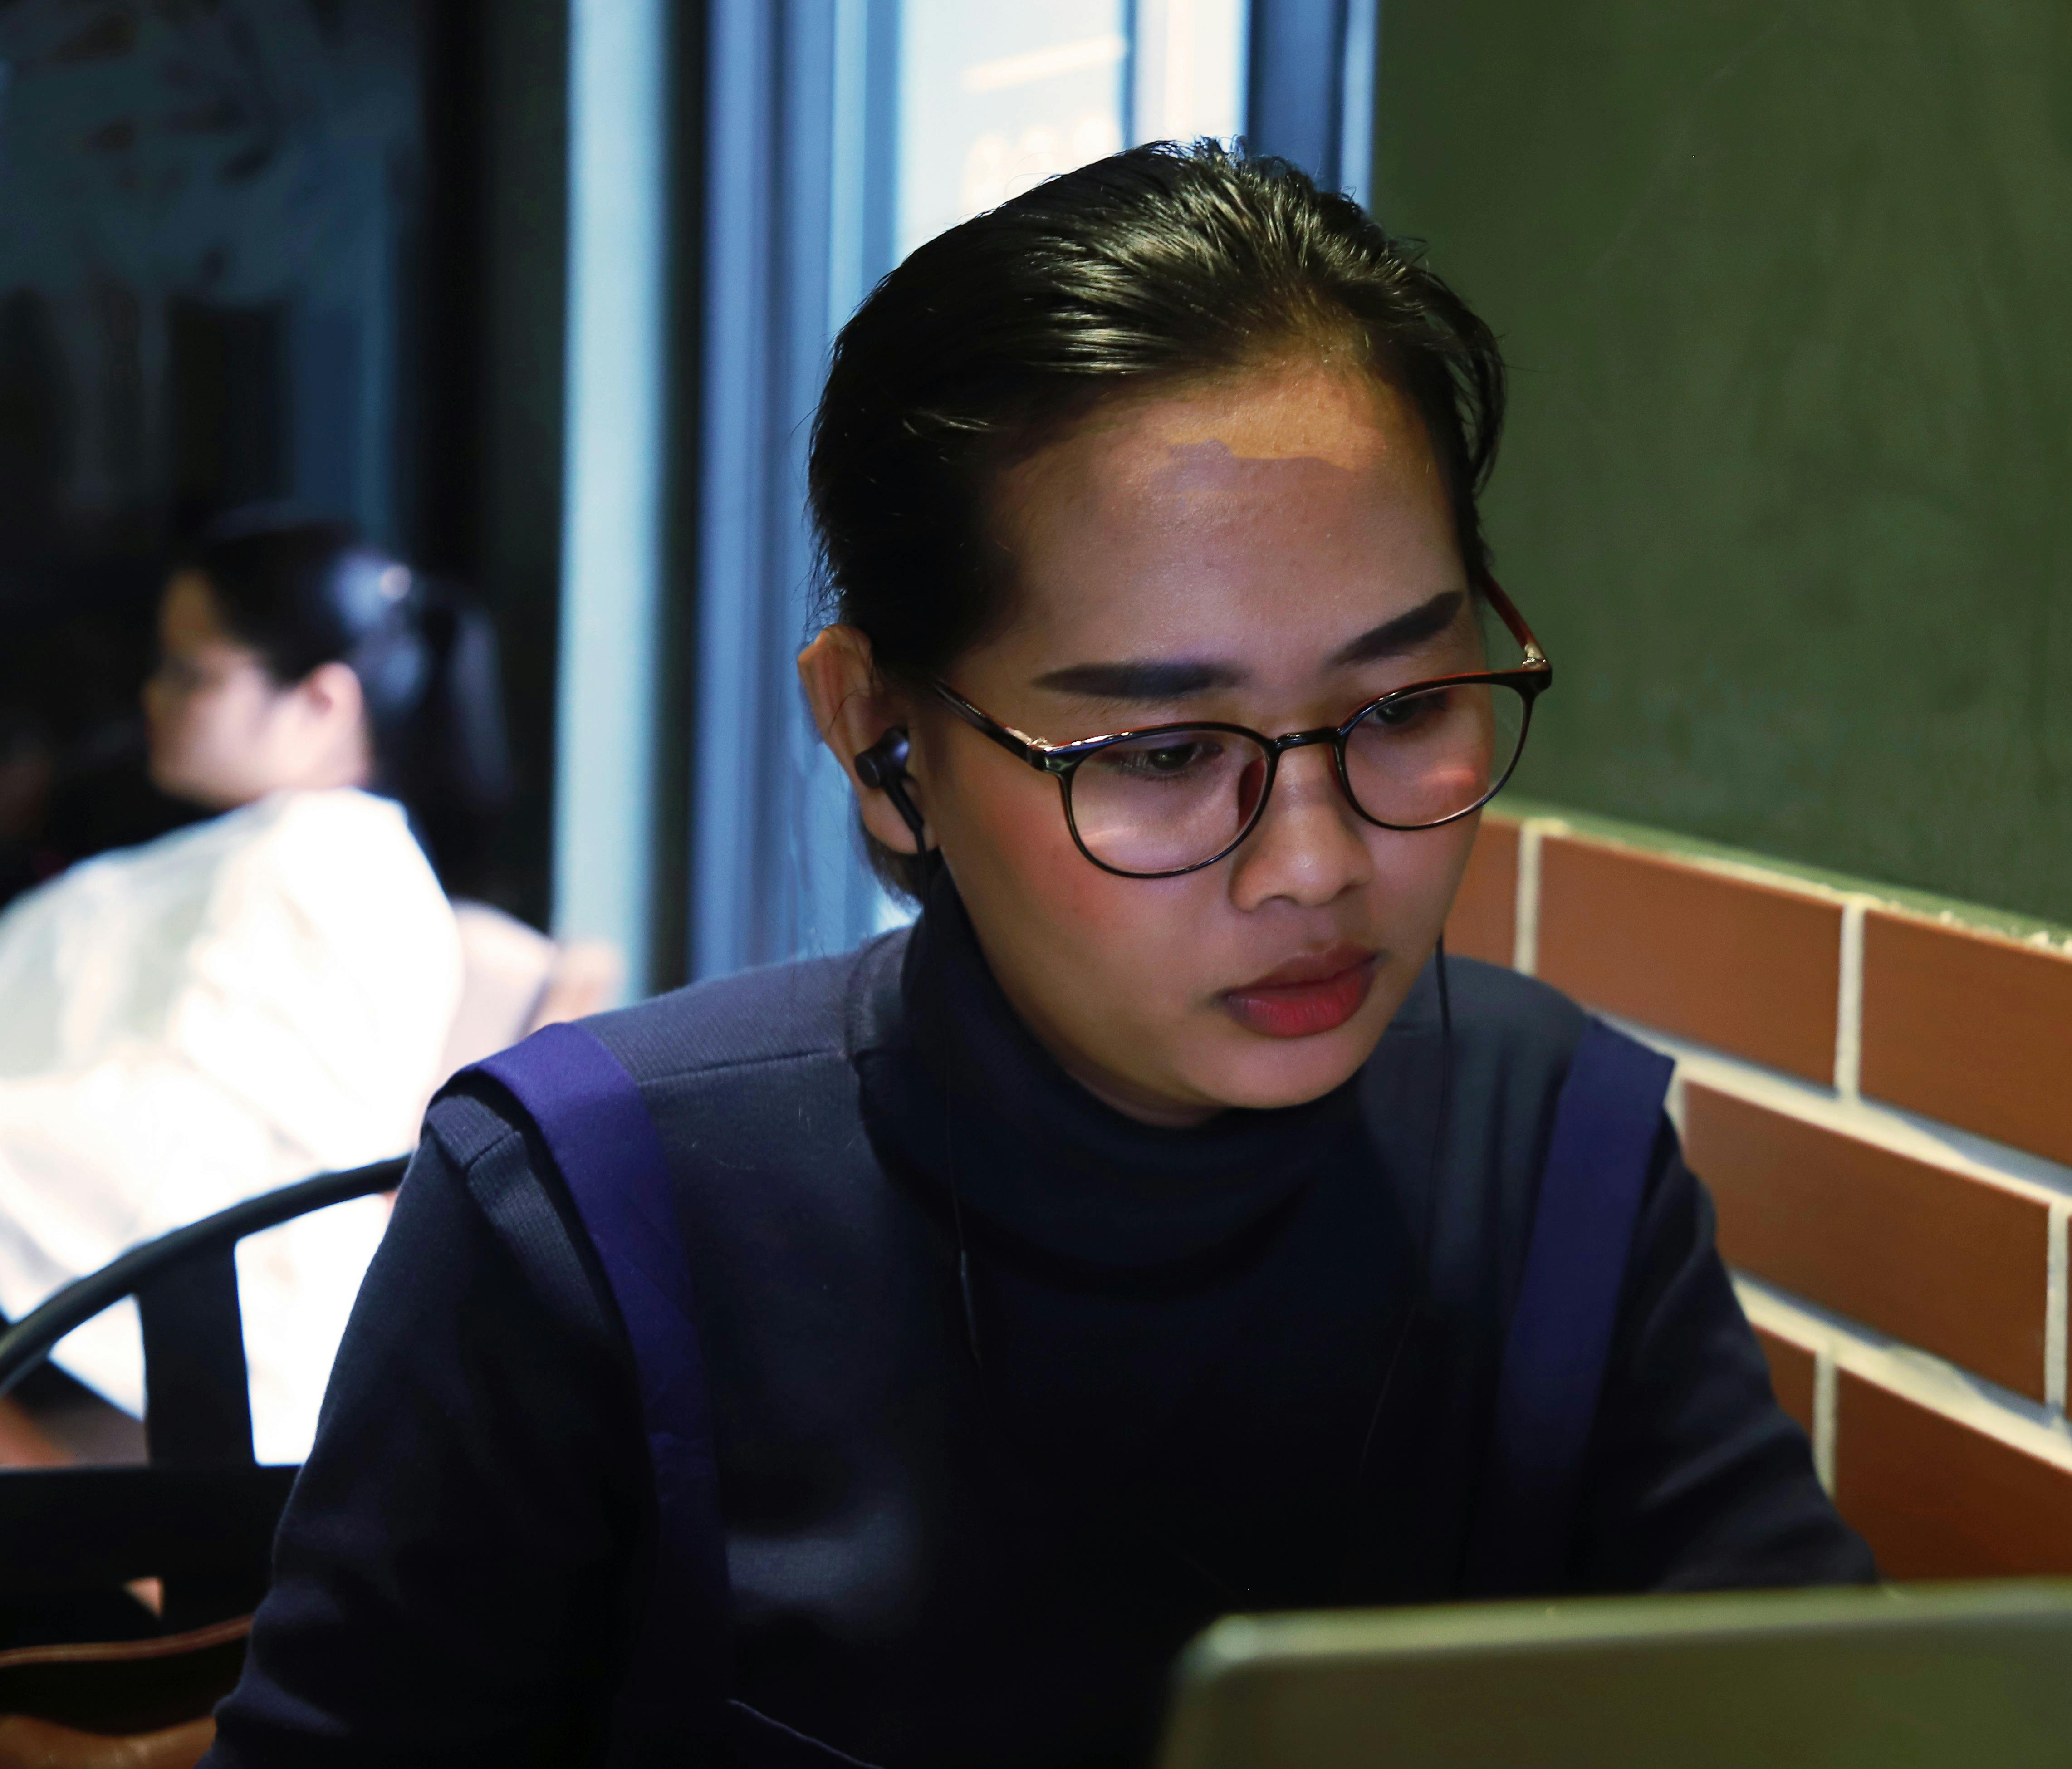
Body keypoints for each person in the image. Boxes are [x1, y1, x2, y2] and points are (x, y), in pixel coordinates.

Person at [203, 143, 1871, 1769]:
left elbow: (1817, 1707)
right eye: (1161, 752)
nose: (1315, 865)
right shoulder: (585, 1215)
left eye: (1405, 707)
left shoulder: (1555, 1147)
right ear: (882, 742)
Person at [0, 518, 511, 1465]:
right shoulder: (290, 849)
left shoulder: (325, 865)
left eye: (190, 673)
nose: (154, 696)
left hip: (225, 1338)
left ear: (320, 700)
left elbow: (216, 1135)